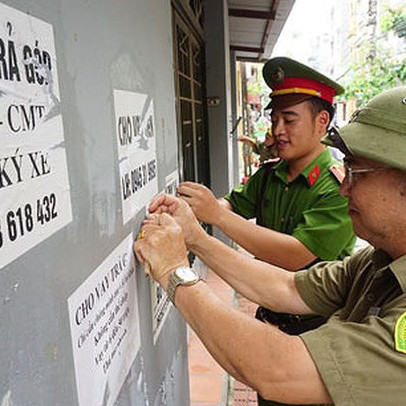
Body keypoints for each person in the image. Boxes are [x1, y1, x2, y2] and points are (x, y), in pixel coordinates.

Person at [134, 86, 406, 405]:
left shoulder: (329, 189)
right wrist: (196, 238)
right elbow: (288, 288)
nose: (345, 188)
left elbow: (280, 370)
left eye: (357, 172)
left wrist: (173, 271)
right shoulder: (378, 262)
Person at [177, 57, 356, 365]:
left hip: (316, 335)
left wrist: (215, 216)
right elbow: (233, 202)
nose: (278, 130)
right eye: (275, 120)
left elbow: (296, 254)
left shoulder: (337, 187)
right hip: (269, 320)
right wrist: (194, 210)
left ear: (322, 121)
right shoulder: (270, 174)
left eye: (290, 120)